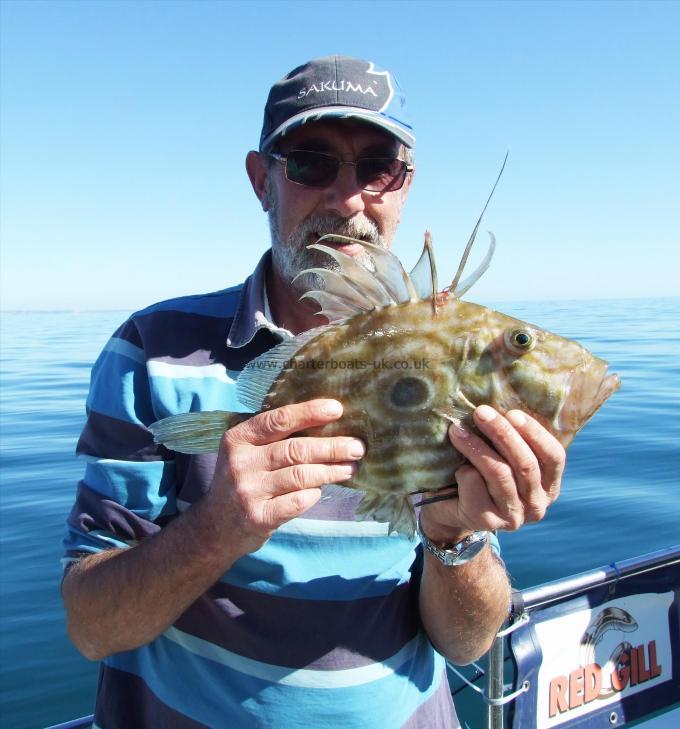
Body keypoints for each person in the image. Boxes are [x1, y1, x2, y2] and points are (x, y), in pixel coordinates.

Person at [62, 56, 565, 728]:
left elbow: (467, 641)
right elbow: (90, 626)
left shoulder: (447, 356)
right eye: (310, 162)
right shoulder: (151, 350)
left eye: (378, 167)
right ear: (261, 180)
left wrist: (455, 534)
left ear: (404, 185)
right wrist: (216, 529)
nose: (348, 198)